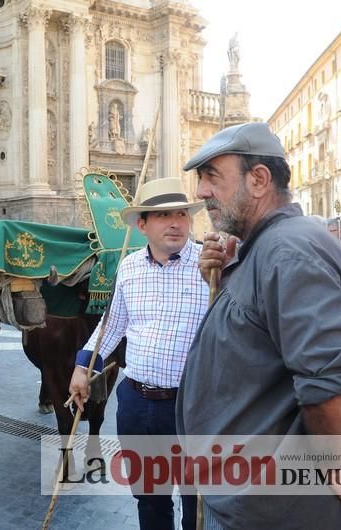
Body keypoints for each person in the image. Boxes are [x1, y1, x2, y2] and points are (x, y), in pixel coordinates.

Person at [178, 122, 341, 528]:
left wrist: (338, 458)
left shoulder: (288, 250)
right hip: (249, 498)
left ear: (259, 179)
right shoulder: (269, 248)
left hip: (266, 509)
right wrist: (227, 275)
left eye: (212, 176)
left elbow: (339, 392)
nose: (201, 193)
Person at [69, 178, 208, 530]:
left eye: (181, 214)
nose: (176, 222)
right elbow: (112, 325)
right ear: (142, 224)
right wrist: (83, 366)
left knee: (198, 502)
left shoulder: (211, 267)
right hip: (139, 404)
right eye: (163, 215)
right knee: (150, 499)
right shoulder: (129, 267)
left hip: (195, 407)